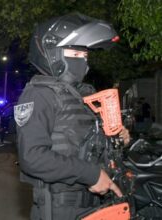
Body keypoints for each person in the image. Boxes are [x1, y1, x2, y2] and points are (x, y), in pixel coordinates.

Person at [15, 13, 130, 220]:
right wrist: (91, 175)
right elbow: (32, 157)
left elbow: (85, 146)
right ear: (53, 54)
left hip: (95, 204)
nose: (84, 63)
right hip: (59, 209)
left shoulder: (83, 94)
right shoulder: (39, 94)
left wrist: (116, 139)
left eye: (85, 56)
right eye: (76, 55)